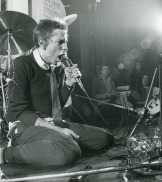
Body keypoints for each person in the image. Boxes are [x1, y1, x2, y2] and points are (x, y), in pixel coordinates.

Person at [0, 18, 113, 166]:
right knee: (68, 150)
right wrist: (57, 130)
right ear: (42, 43)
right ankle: (6, 154)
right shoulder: (21, 64)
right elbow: (21, 112)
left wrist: (68, 84)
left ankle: (51, 147)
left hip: (51, 122)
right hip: (24, 125)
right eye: (60, 42)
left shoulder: (57, 67)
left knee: (104, 138)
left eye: (66, 41)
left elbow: (55, 106)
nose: (65, 47)